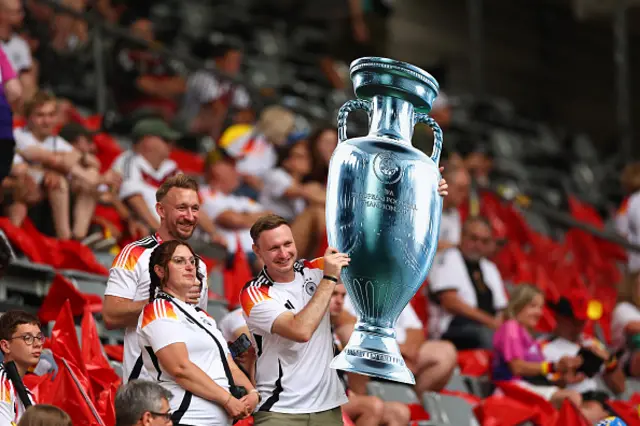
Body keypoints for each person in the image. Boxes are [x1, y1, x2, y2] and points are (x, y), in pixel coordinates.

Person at [240, 214, 349, 425]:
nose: (283, 253)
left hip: (328, 408)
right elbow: (301, 331)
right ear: (257, 251)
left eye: (288, 244)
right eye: (273, 248)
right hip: (281, 410)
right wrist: (329, 279)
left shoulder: (315, 268)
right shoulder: (254, 292)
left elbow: (370, 260)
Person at [103, 174, 209, 383]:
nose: (190, 216)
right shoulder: (134, 253)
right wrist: (169, 299)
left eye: (194, 209)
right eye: (181, 208)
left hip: (187, 387)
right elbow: (110, 315)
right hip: (145, 389)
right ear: (160, 210)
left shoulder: (200, 266)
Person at [139, 240, 258, 425]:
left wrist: (252, 392)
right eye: (179, 261)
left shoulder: (203, 316)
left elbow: (229, 366)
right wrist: (227, 400)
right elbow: (180, 368)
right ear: (160, 271)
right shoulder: (158, 308)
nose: (189, 266)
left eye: (192, 261)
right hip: (187, 418)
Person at [330, 282, 412, 426]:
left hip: (341, 396)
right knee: (372, 406)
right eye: (334, 294)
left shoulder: (332, 331)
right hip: (317, 402)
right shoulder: (311, 331)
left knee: (399, 412)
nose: (340, 301)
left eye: (343, 296)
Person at [491, 285, 583, 408]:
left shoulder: (529, 337)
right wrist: (554, 366)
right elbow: (517, 367)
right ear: (518, 305)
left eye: (540, 307)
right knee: (571, 398)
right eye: (533, 306)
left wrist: (563, 375)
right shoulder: (511, 328)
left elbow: (540, 375)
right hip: (511, 389)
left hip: (529, 386)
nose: (539, 313)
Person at [428, 216, 508, 349]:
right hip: (452, 327)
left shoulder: (490, 267)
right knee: (486, 335)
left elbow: (502, 307)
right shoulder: (448, 258)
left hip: (485, 326)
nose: (478, 245)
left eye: (484, 241)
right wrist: (491, 322)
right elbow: (450, 302)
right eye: (473, 238)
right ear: (462, 236)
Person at [0, 310, 42, 423]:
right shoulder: (1, 382)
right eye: (28, 338)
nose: (38, 344)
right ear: (5, 346)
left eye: (39, 337)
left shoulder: (29, 395)